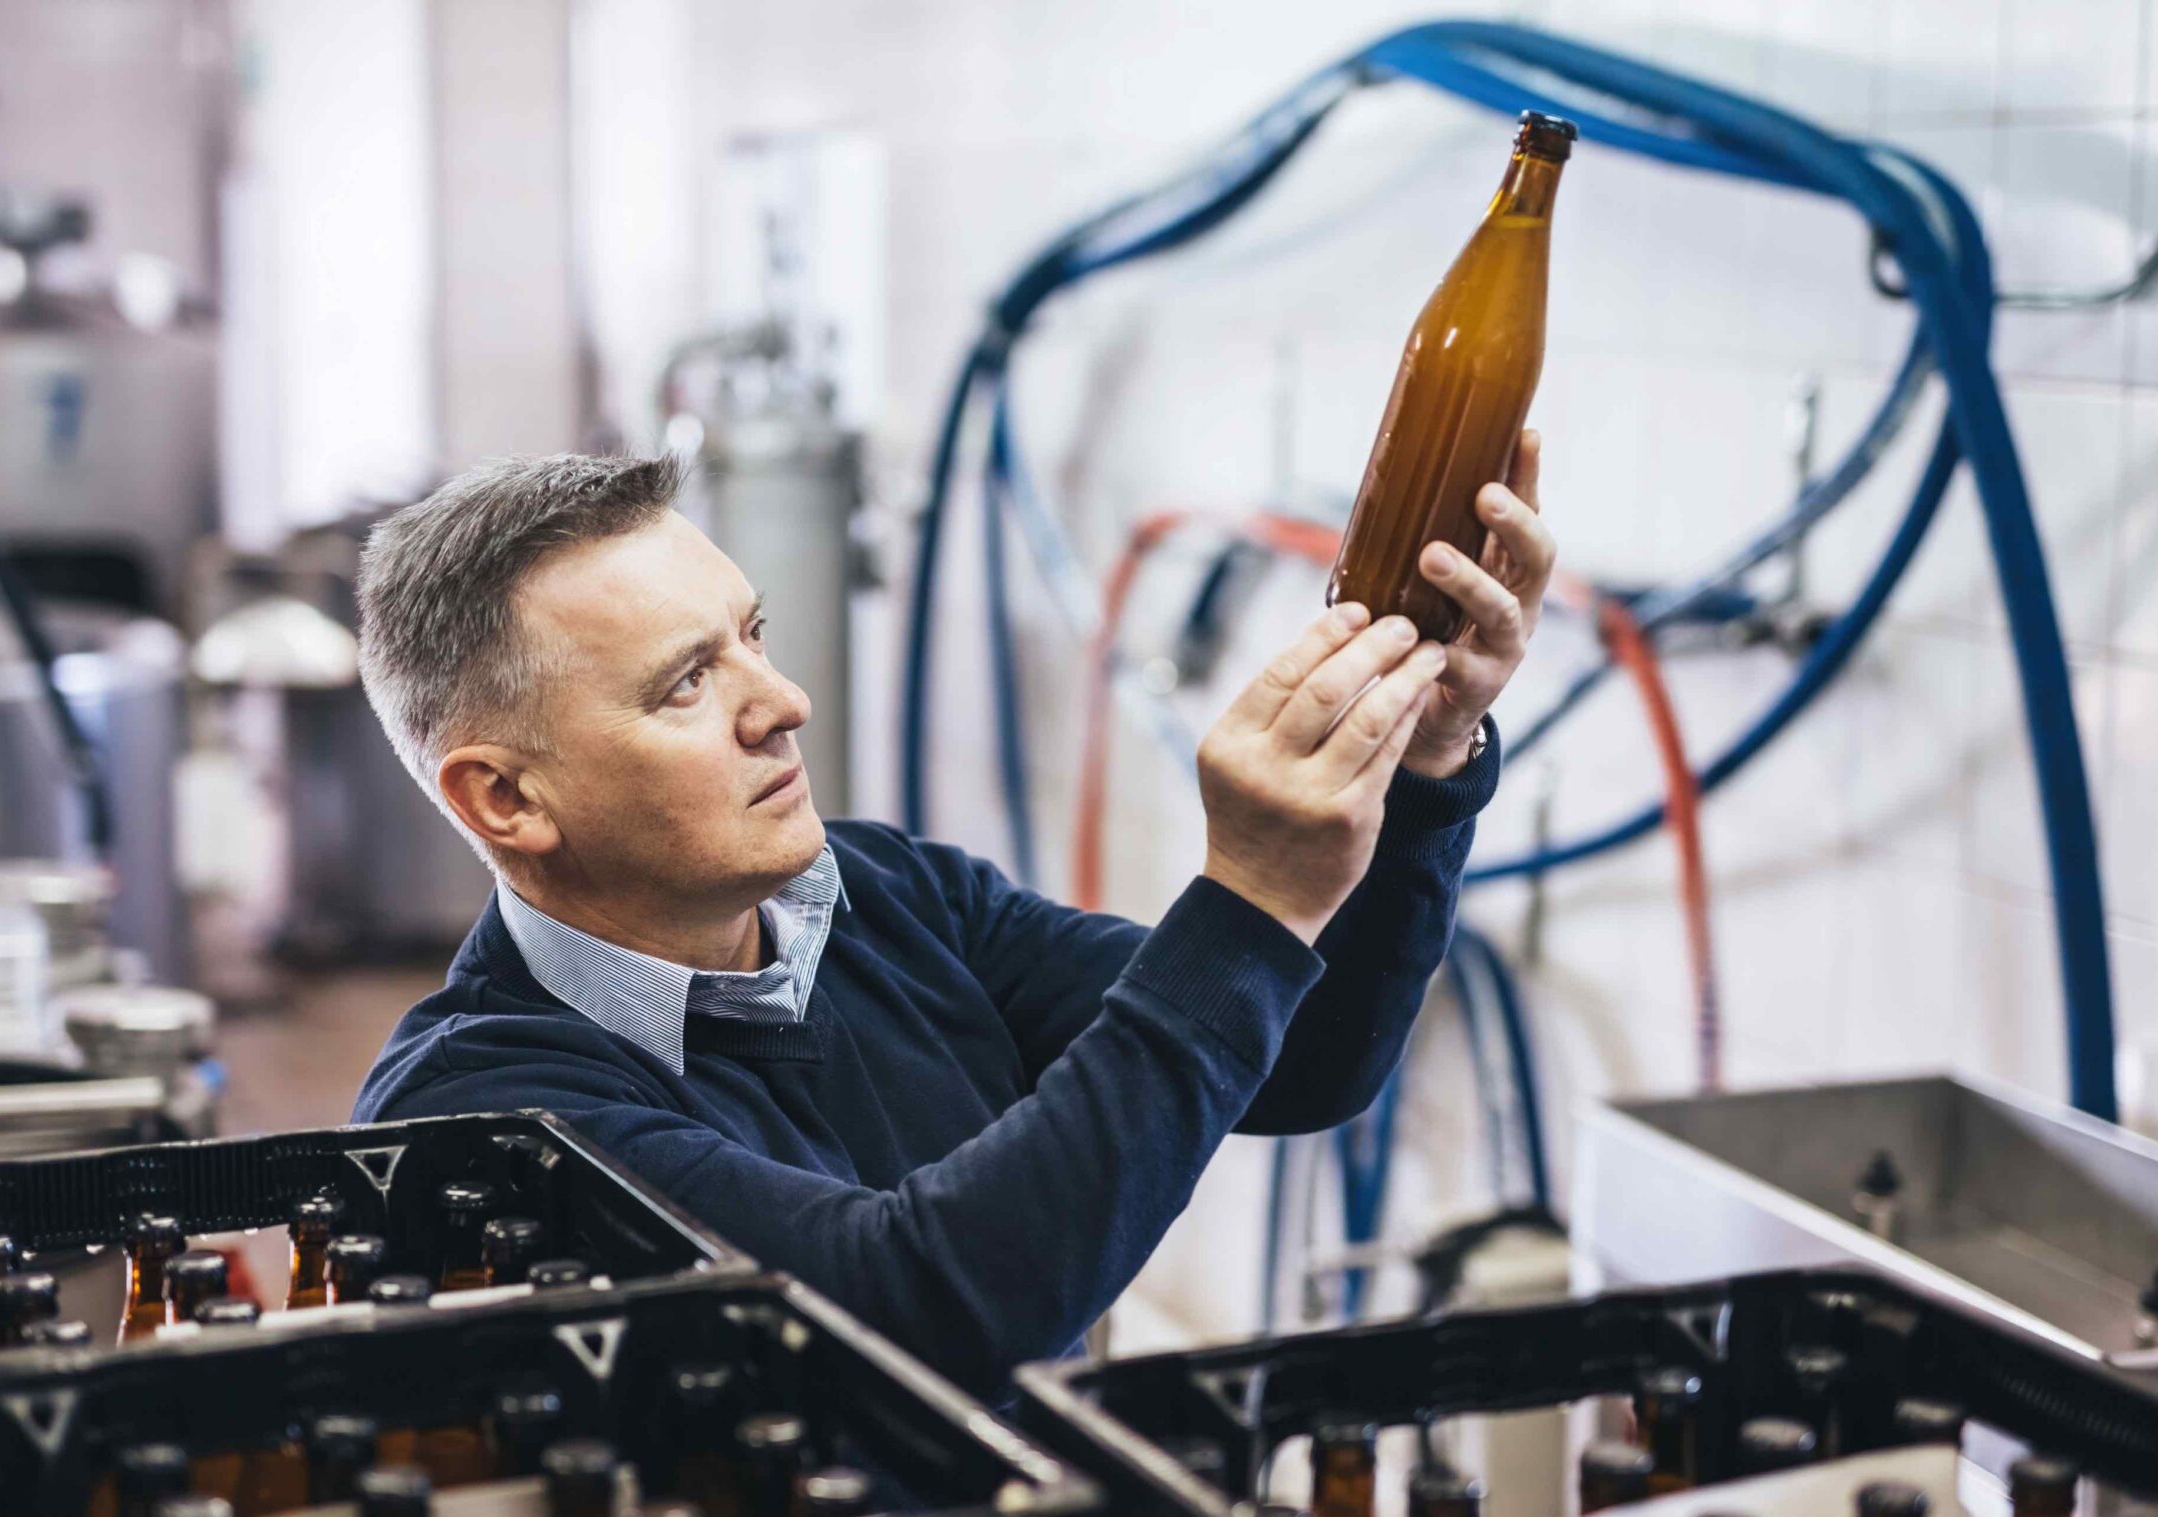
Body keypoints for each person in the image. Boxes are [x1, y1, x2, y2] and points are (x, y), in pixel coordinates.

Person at [352, 442, 1554, 1396]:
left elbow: (1301, 1066)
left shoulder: (884, 898)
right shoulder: (480, 1120)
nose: (783, 702)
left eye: (752, 639)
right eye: (685, 682)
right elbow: (919, 1313)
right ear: (506, 799)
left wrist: (1428, 756)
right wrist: (1248, 898)